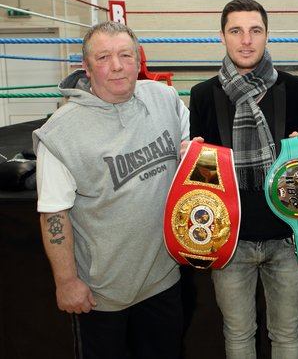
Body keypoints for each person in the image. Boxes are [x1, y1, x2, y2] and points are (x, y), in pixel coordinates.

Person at [33, 21, 189, 359]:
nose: (117, 66)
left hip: (164, 279)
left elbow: (189, 151)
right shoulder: (60, 133)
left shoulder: (165, 99)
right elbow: (53, 213)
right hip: (102, 295)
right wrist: (66, 281)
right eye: (103, 57)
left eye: (125, 55)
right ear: (87, 68)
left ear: (138, 60)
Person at [188, 0, 298, 359]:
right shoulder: (202, 95)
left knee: (287, 332)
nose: (246, 40)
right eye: (236, 31)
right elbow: (203, 180)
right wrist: (192, 159)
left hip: (287, 240)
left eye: (255, 31)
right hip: (230, 242)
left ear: (267, 35)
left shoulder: (297, 90)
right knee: (238, 334)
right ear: (222, 37)